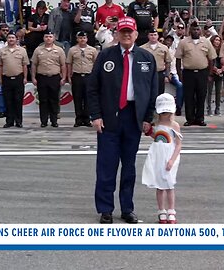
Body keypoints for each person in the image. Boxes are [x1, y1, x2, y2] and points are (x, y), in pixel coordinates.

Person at [87, 16, 158, 224]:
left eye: (130, 32)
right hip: (110, 117)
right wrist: (96, 115)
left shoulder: (146, 57)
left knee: (129, 167)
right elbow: (92, 89)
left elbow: (153, 91)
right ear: (117, 33)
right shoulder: (105, 56)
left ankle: (127, 208)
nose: (126, 35)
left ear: (136, 34)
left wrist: (148, 118)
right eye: (123, 31)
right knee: (106, 166)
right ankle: (105, 209)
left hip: (134, 117)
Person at [142, 93, 182, 224]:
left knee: (169, 184)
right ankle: (161, 211)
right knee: (160, 185)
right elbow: (158, 137)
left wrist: (172, 160)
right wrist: (149, 132)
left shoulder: (174, 125)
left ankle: (171, 210)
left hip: (169, 155)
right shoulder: (157, 123)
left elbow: (178, 145)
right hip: (158, 155)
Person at [175, 22, 217, 127]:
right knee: (189, 97)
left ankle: (200, 119)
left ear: (201, 31)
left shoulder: (206, 42)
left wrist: (210, 74)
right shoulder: (183, 42)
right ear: (190, 31)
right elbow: (178, 59)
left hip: (202, 72)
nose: (196, 31)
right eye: (194, 29)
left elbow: (212, 59)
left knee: (201, 96)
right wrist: (180, 75)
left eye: (198, 29)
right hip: (188, 73)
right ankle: (190, 119)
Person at [31, 30, 66, 128]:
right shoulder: (38, 50)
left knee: (54, 100)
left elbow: (63, 65)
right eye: (46, 36)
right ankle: (44, 121)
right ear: (43, 38)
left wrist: (63, 77)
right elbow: (34, 65)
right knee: (43, 100)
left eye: (50, 36)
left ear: (54, 38)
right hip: (42, 77)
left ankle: (54, 121)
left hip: (54, 78)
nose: (48, 38)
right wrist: (33, 77)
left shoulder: (59, 50)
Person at [0, 30, 29, 128]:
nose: (11, 39)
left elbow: (25, 66)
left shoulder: (22, 50)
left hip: (19, 78)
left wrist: (25, 78)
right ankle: (9, 121)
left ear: (16, 39)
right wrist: (0, 78)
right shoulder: (2, 51)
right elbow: (0, 66)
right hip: (6, 78)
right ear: (7, 39)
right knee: (8, 101)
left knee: (18, 101)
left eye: (13, 38)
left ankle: (19, 121)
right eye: (9, 38)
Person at [67, 31, 97, 127]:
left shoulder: (92, 50)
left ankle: (87, 119)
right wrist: (69, 76)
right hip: (77, 76)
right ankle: (78, 119)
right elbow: (69, 64)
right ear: (77, 39)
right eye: (80, 38)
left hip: (89, 76)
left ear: (87, 39)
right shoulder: (72, 50)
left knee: (88, 98)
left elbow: (96, 64)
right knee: (77, 98)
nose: (82, 39)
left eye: (84, 38)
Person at [140, 28, 171, 95]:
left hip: (159, 73)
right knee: (147, 92)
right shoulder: (142, 48)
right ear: (148, 36)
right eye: (151, 35)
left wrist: (167, 75)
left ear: (158, 36)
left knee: (160, 93)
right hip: (147, 74)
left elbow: (168, 62)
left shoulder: (164, 48)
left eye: (155, 35)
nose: (153, 37)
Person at [163, 35, 184, 116]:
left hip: (172, 73)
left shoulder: (173, 52)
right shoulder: (160, 49)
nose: (168, 42)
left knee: (180, 85)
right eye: (167, 40)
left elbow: (174, 65)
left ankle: (178, 107)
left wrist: (170, 74)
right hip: (160, 73)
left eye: (170, 41)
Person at [207, 35, 224, 116]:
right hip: (210, 73)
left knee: (218, 92)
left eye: (218, 40)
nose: (217, 42)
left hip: (220, 73)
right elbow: (208, 61)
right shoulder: (209, 50)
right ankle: (209, 109)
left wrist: (221, 70)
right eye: (216, 40)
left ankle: (217, 109)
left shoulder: (221, 50)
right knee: (209, 92)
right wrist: (215, 69)